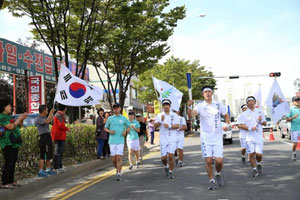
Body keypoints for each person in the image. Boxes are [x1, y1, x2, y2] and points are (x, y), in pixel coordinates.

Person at [188, 86, 230, 190]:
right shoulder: (199, 106)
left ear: (212, 93)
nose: (207, 93)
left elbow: (226, 116)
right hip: (206, 137)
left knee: (219, 161)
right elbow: (191, 116)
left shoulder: (218, 104)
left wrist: (227, 125)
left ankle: (218, 173)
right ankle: (211, 181)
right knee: (208, 160)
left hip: (217, 136)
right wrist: (189, 107)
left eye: (209, 92)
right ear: (203, 94)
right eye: (205, 92)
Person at [0, 100, 27, 189]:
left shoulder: (9, 116)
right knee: (9, 162)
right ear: (3, 107)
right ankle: (4, 182)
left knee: (13, 161)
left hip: (14, 142)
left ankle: (11, 181)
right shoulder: (2, 117)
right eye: (9, 106)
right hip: (7, 142)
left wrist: (21, 119)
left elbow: (18, 126)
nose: (10, 108)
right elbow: (10, 126)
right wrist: (19, 119)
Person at [238, 96, 266, 177]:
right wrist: (249, 128)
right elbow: (240, 125)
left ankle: (259, 163)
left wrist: (261, 120)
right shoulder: (244, 114)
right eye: (249, 101)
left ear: (254, 102)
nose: (251, 102)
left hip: (258, 137)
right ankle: (254, 169)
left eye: (252, 101)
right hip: (249, 138)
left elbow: (265, 123)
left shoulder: (260, 112)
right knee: (251, 154)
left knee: (259, 155)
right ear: (247, 103)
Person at [154, 99, 179, 179]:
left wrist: (170, 126)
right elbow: (155, 126)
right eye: (164, 105)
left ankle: (171, 172)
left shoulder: (174, 115)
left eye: (167, 105)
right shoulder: (159, 115)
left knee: (171, 156)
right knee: (163, 158)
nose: (166, 106)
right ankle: (166, 166)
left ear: (170, 106)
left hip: (172, 138)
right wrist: (160, 121)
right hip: (163, 139)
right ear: (163, 106)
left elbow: (178, 126)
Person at [104, 103, 130, 181]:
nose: (116, 109)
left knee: (118, 158)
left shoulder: (124, 118)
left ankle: (119, 173)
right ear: (113, 109)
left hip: (120, 140)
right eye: (114, 108)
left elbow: (129, 127)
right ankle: (117, 168)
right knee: (113, 159)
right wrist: (109, 131)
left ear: (120, 109)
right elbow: (105, 128)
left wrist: (125, 131)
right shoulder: (110, 118)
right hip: (112, 141)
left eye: (117, 108)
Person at [35, 105, 56, 177]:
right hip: (44, 138)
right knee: (43, 154)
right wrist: (51, 113)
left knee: (48, 153)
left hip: (47, 137)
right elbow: (47, 121)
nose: (47, 111)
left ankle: (48, 169)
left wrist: (52, 116)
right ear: (43, 110)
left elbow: (51, 122)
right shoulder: (39, 119)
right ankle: (40, 170)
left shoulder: (44, 117)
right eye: (46, 110)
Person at [51, 103, 69, 173]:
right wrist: (67, 128)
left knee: (59, 151)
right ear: (65, 108)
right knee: (58, 151)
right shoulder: (59, 115)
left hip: (57, 135)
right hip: (59, 135)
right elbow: (60, 126)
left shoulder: (57, 114)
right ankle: (57, 167)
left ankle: (59, 165)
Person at [286, 96, 300, 161]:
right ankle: (294, 152)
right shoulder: (290, 109)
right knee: (295, 143)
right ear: (293, 102)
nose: (298, 101)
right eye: (296, 100)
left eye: (298, 100)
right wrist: (293, 117)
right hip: (295, 129)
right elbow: (287, 119)